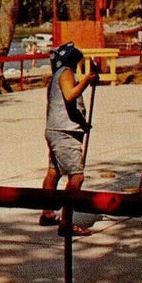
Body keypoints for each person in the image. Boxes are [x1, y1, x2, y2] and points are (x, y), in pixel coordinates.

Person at [38, 42, 99, 237]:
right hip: (64, 133)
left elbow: (67, 105)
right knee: (76, 176)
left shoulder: (58, 74)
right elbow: (70, 95)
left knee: (54, 172)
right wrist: (87, 80)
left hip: (57, 129)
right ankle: (66, 222)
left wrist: (82, 122)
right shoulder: (65, 73)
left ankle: (47, 212)